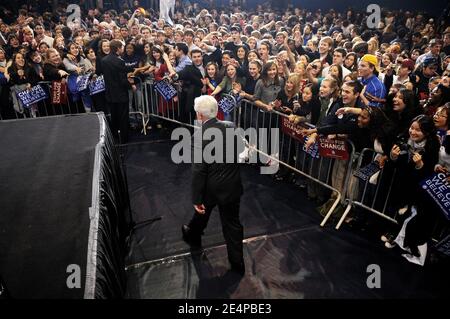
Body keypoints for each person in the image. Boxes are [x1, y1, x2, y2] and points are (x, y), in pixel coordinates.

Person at [181, 95, 245, 275]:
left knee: (202, 209)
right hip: (232, 184)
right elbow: (240, 151)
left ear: (200, 116)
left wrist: (196, 197)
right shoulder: (231, 127)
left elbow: (199, 170)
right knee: (231, 224)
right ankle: (238, 263)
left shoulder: (199, 136)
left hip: (211, 186)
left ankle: (193, 234)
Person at [101, 39, 136, 144]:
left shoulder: (104, 60)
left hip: (110, 94)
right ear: (117, 49)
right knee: (123, 117)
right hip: (121, 94)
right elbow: (122, 79)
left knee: (114, 116)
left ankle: (114, 137)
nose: (123, 49)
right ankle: (124, 139)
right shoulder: (119, 61)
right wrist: (131, 86)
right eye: (121, 47)